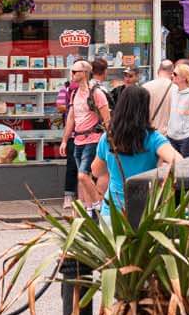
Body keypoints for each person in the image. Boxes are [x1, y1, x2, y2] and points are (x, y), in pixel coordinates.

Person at [84, 79, 180, 212]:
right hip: (146, 210)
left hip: (113, 211)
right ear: (145, 109)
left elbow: (96, 171)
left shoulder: (108, 137)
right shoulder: (153, 138)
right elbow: (179, 162)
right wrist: (162, 173)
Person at [60, 59, 109, 212]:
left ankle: (96, 204)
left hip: (93, 138)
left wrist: (110, 140)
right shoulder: (74, 92)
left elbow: (107, 119)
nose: (72, 74)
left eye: (75, 71)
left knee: (83, 175)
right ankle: (88, 208)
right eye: (72, 71)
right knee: (82, 178)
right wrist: (64, 140)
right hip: (78, 139)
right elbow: (71, 118)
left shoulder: (97, 93)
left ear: (85, 73)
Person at [142, 58, 175, 124]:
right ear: (172, 73)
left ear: (158, 71)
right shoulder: (176, 89)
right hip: (168, 132)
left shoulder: (145, 87)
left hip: (150, 131)